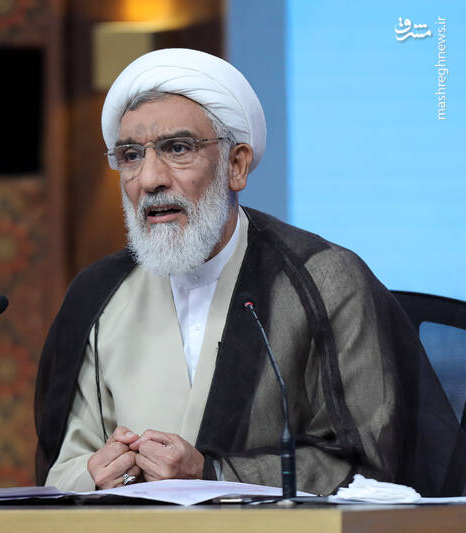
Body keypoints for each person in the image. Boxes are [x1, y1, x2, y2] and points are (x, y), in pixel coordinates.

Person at [34, 49, 464, 497]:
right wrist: (95, 475)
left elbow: (364, 465)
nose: (149, 179)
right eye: (130, 156)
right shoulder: (98, 296)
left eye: (177, 149)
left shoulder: (323, 280)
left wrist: (213, 474)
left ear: (236, 165)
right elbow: (62, 467)